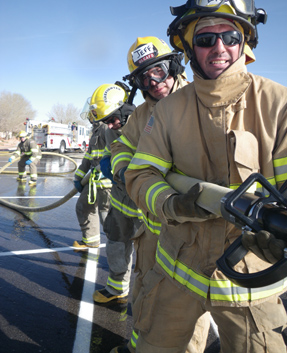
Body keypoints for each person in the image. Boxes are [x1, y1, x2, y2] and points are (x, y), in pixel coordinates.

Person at [124, 1, 287, 352]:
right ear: (188, 47)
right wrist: (172, 203)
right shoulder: (167, 111)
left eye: (230, 35)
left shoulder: (279, 103)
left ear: (245, 41)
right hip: (174, 273)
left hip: (249, 283)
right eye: (205, 38)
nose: (219, 47)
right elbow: (141, 174)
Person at [110, 36, 210, 353]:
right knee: (144, 291)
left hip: (195, 231)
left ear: (174, 65)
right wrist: (123, 168)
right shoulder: (141, 115)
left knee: (187, 308)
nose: (154, 83)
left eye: (159, 71)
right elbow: (121, 145)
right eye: (144, 78)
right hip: (153, 230)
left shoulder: (202, 99)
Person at [91, 82, 139, 304]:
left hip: (145, 205)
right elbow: (111, 152)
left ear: (126, 111)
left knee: (150, 257)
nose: (109, 127)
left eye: (111, 120)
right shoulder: (113, 128)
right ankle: (117, 288)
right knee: (116, 243)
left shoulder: (149, 124)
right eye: (105, 122)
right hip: (121, 200)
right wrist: (108, 165)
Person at [73, 97, 112, 249]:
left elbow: (117, 153)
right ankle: (91, 240)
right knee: (83, 207)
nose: (89, 116)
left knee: (108, 219)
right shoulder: (96, 130)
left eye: (91, 113)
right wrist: (79, 177)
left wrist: (105, 170)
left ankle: (118, 250)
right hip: (94, 181)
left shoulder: (106, 128)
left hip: (107, 182)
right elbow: (89, 157)